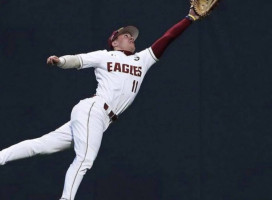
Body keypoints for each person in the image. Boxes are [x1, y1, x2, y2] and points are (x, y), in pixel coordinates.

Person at [0, 8, 199, 200]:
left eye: (132, 36)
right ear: (114, 41)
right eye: (125, 35)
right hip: (93, 110)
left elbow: (167, 38)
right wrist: (60, 61)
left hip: (101, 120)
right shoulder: (105, 55)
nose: (131, 37)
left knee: (42, 145)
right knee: (85, 159)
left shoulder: (142, 60)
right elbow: (78, 60)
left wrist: (189, 18)